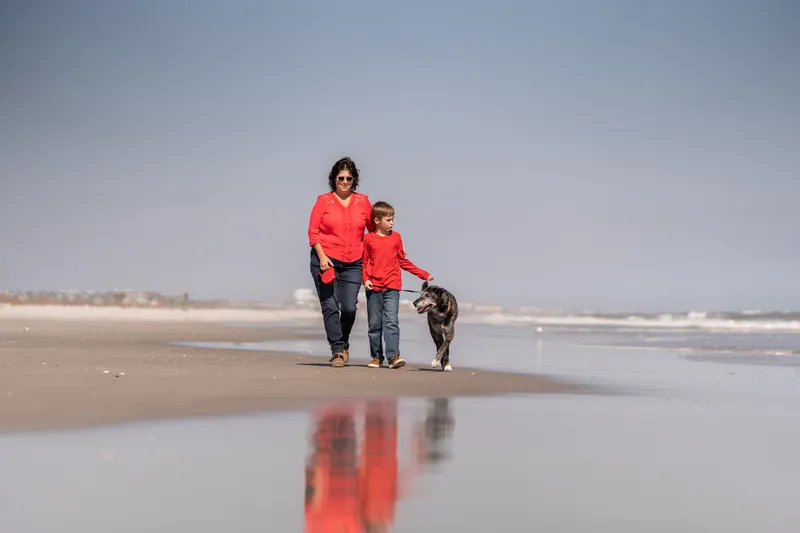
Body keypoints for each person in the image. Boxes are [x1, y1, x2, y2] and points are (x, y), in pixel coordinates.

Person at [308, 157, 374, 367]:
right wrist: (322, 256)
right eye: (341, 178)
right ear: (334, 179)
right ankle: (337, 351)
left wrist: (395, 248)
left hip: (354, 261)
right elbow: (313, 232)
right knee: (329, 306)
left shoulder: (363, 201)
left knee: (348, 308)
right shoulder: (323, 201)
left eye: (349, 178)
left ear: (354, 180)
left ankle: (343, 343)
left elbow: (373, 232)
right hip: (325, 260)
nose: (344, 181)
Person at [362, 201, 433, 369]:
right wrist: (365, 279)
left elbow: (402, 261)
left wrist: (422, 274)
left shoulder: (396, 238)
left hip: (392, 286)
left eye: (393, 219)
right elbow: (364, 262)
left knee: (391, 321)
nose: (392, 222)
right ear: (377, 220)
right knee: (374, 323)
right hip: (373, 288)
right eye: (388, 219)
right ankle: (376, 357)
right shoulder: (368, 239)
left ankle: (393, 356)